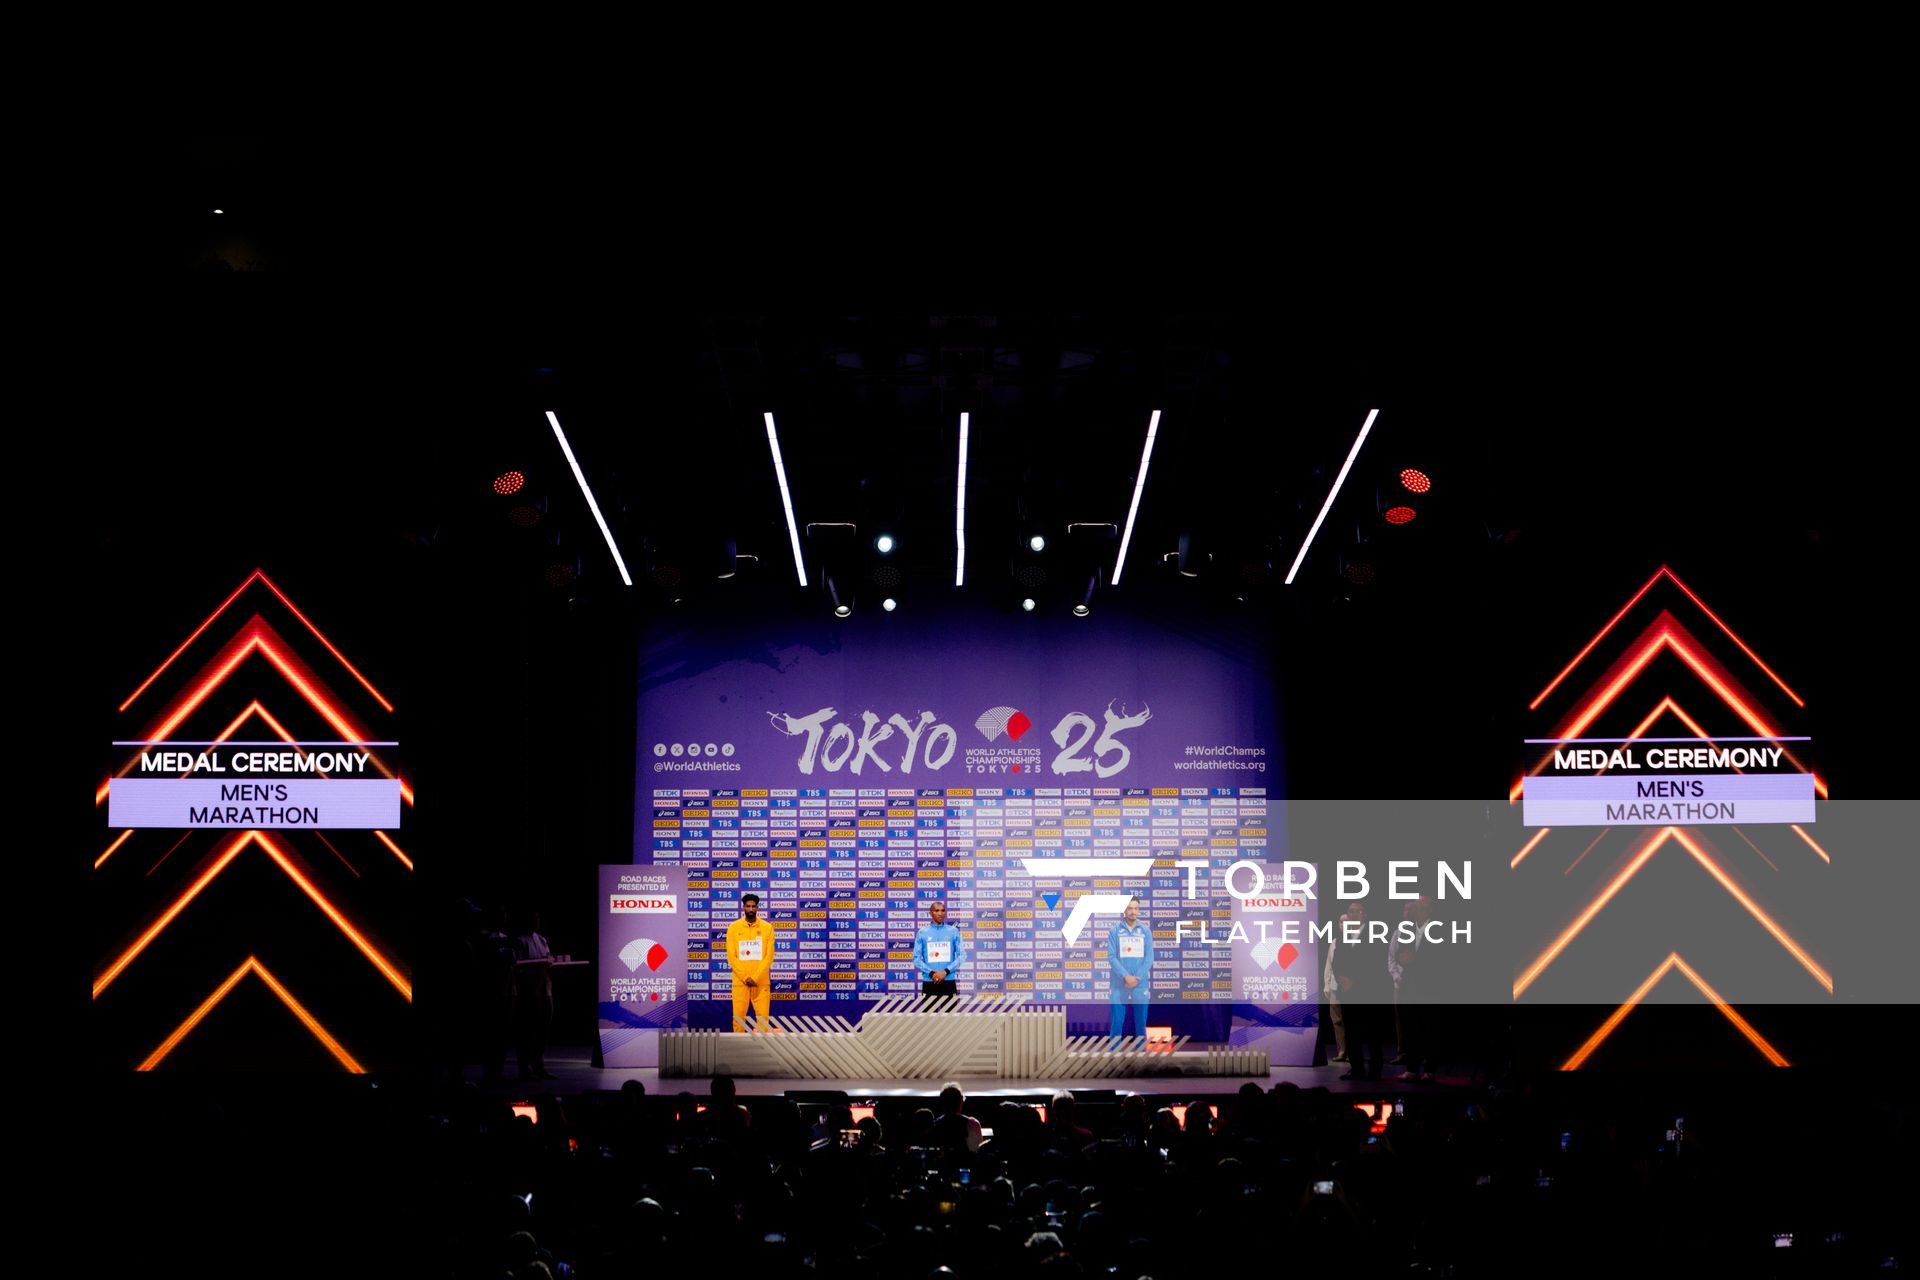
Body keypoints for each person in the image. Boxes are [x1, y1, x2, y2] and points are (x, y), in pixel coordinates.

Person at [1329, 898, 1386, 1080]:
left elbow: (1375, 965)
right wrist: (1341, 978)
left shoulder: (1374, 935)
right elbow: (1336, 962)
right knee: (1351, 1034)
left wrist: (1355, 982)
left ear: (1365, 915)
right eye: (1351, 911)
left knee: (1372, 1034)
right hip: (1347, 993)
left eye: (1357, 911)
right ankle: (1357, 1069)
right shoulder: (1343, 936)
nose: (1353, 915)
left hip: (1368, 992)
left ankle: (1376, 1070)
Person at [510, 910, 555, 1080]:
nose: (536, 921)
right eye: (533, 918)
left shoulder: (541, 939)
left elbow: (548, 959)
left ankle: (538, 1065)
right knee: (527, 1030)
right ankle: (524, 1068)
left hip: (545, 990)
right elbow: (518, 967)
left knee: (543, 1029)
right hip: (529, 992)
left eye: (537, 917)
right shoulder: (519, 941)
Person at [1105, 896, 1154, 1046]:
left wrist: (1137, 977)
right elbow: (1112, 957)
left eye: (1136, 908)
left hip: (1140, 984)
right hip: (1119, 984)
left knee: (1140, 1025)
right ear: (1124, 910)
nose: (1133, 912)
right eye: (1130, 908)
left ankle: (1141, 1061)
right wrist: (1126, 976)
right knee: (1117, 1024)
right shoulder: (1114, 931)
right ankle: (1113, 1058)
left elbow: (1149, 958)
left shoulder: (1145, 931)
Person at [725, 893, 776, 1031]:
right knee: (738, 1019)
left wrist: (755, 977)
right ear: (743, 908)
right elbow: (732, 957)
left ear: (758, 907)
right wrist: (745, 977)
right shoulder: (733, 928)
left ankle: (763, 1049)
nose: (751, 909)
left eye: (754, 906)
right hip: (740, 982)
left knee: (763, 1020)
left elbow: (769, 956)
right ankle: (737, 1051)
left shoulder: (767, 928)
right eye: (748, 906)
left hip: (761, 981)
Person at [912, 899, 965, 1000]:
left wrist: (945, 972)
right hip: (930, 981)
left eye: (943, 910)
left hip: (948, 981)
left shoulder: (953, 931)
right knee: (929, 1015)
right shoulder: (922, 932)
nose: (940, 913)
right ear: (930, 913)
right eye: (936, 911)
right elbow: (916, 958)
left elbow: (962, 956)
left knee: (949, 1015)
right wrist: (931, 973)